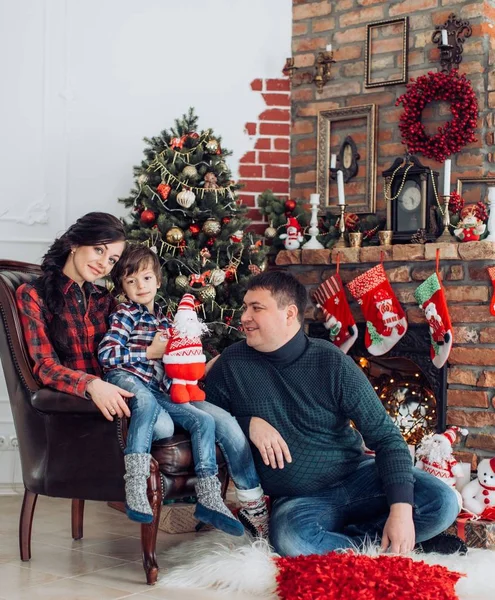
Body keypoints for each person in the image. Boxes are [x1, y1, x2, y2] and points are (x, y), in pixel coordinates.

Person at [205, 270, 465, 556]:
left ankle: (366, 542)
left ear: (289, 313)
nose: (244, 317)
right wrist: (247, 423)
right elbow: (206, 420)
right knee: (293, 540)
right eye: (245, 307)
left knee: (443, 501)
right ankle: (391, 547)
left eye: (257, 308)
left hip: (359, 477)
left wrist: (402, 514)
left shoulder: (331, 361)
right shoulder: (231, 364)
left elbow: (388, 439)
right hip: (299, 499)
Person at [98, 244, 269, 536]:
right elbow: (107, 355)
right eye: (131, 281)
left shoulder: (166, 320)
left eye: (147, 278)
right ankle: (136, 485)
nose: (141, 286)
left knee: (203, 419)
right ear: (122, 287)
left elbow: (175, 363)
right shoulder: (126, 313)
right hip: (127, 378)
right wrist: (149, 352)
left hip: (160, 388)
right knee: (146, 404)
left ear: (158, 280)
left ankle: (208, 497)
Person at [15, 212, 175, 458]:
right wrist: (91, 384)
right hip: (78, 403)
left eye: (112, 259)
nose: (103, 264)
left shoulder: (105, 300)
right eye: (99, 250)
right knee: (163, 426)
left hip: (120, 390)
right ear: (75, 243)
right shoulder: (33, 294)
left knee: (191, 417)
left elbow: (139, 336)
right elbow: (45, 366)